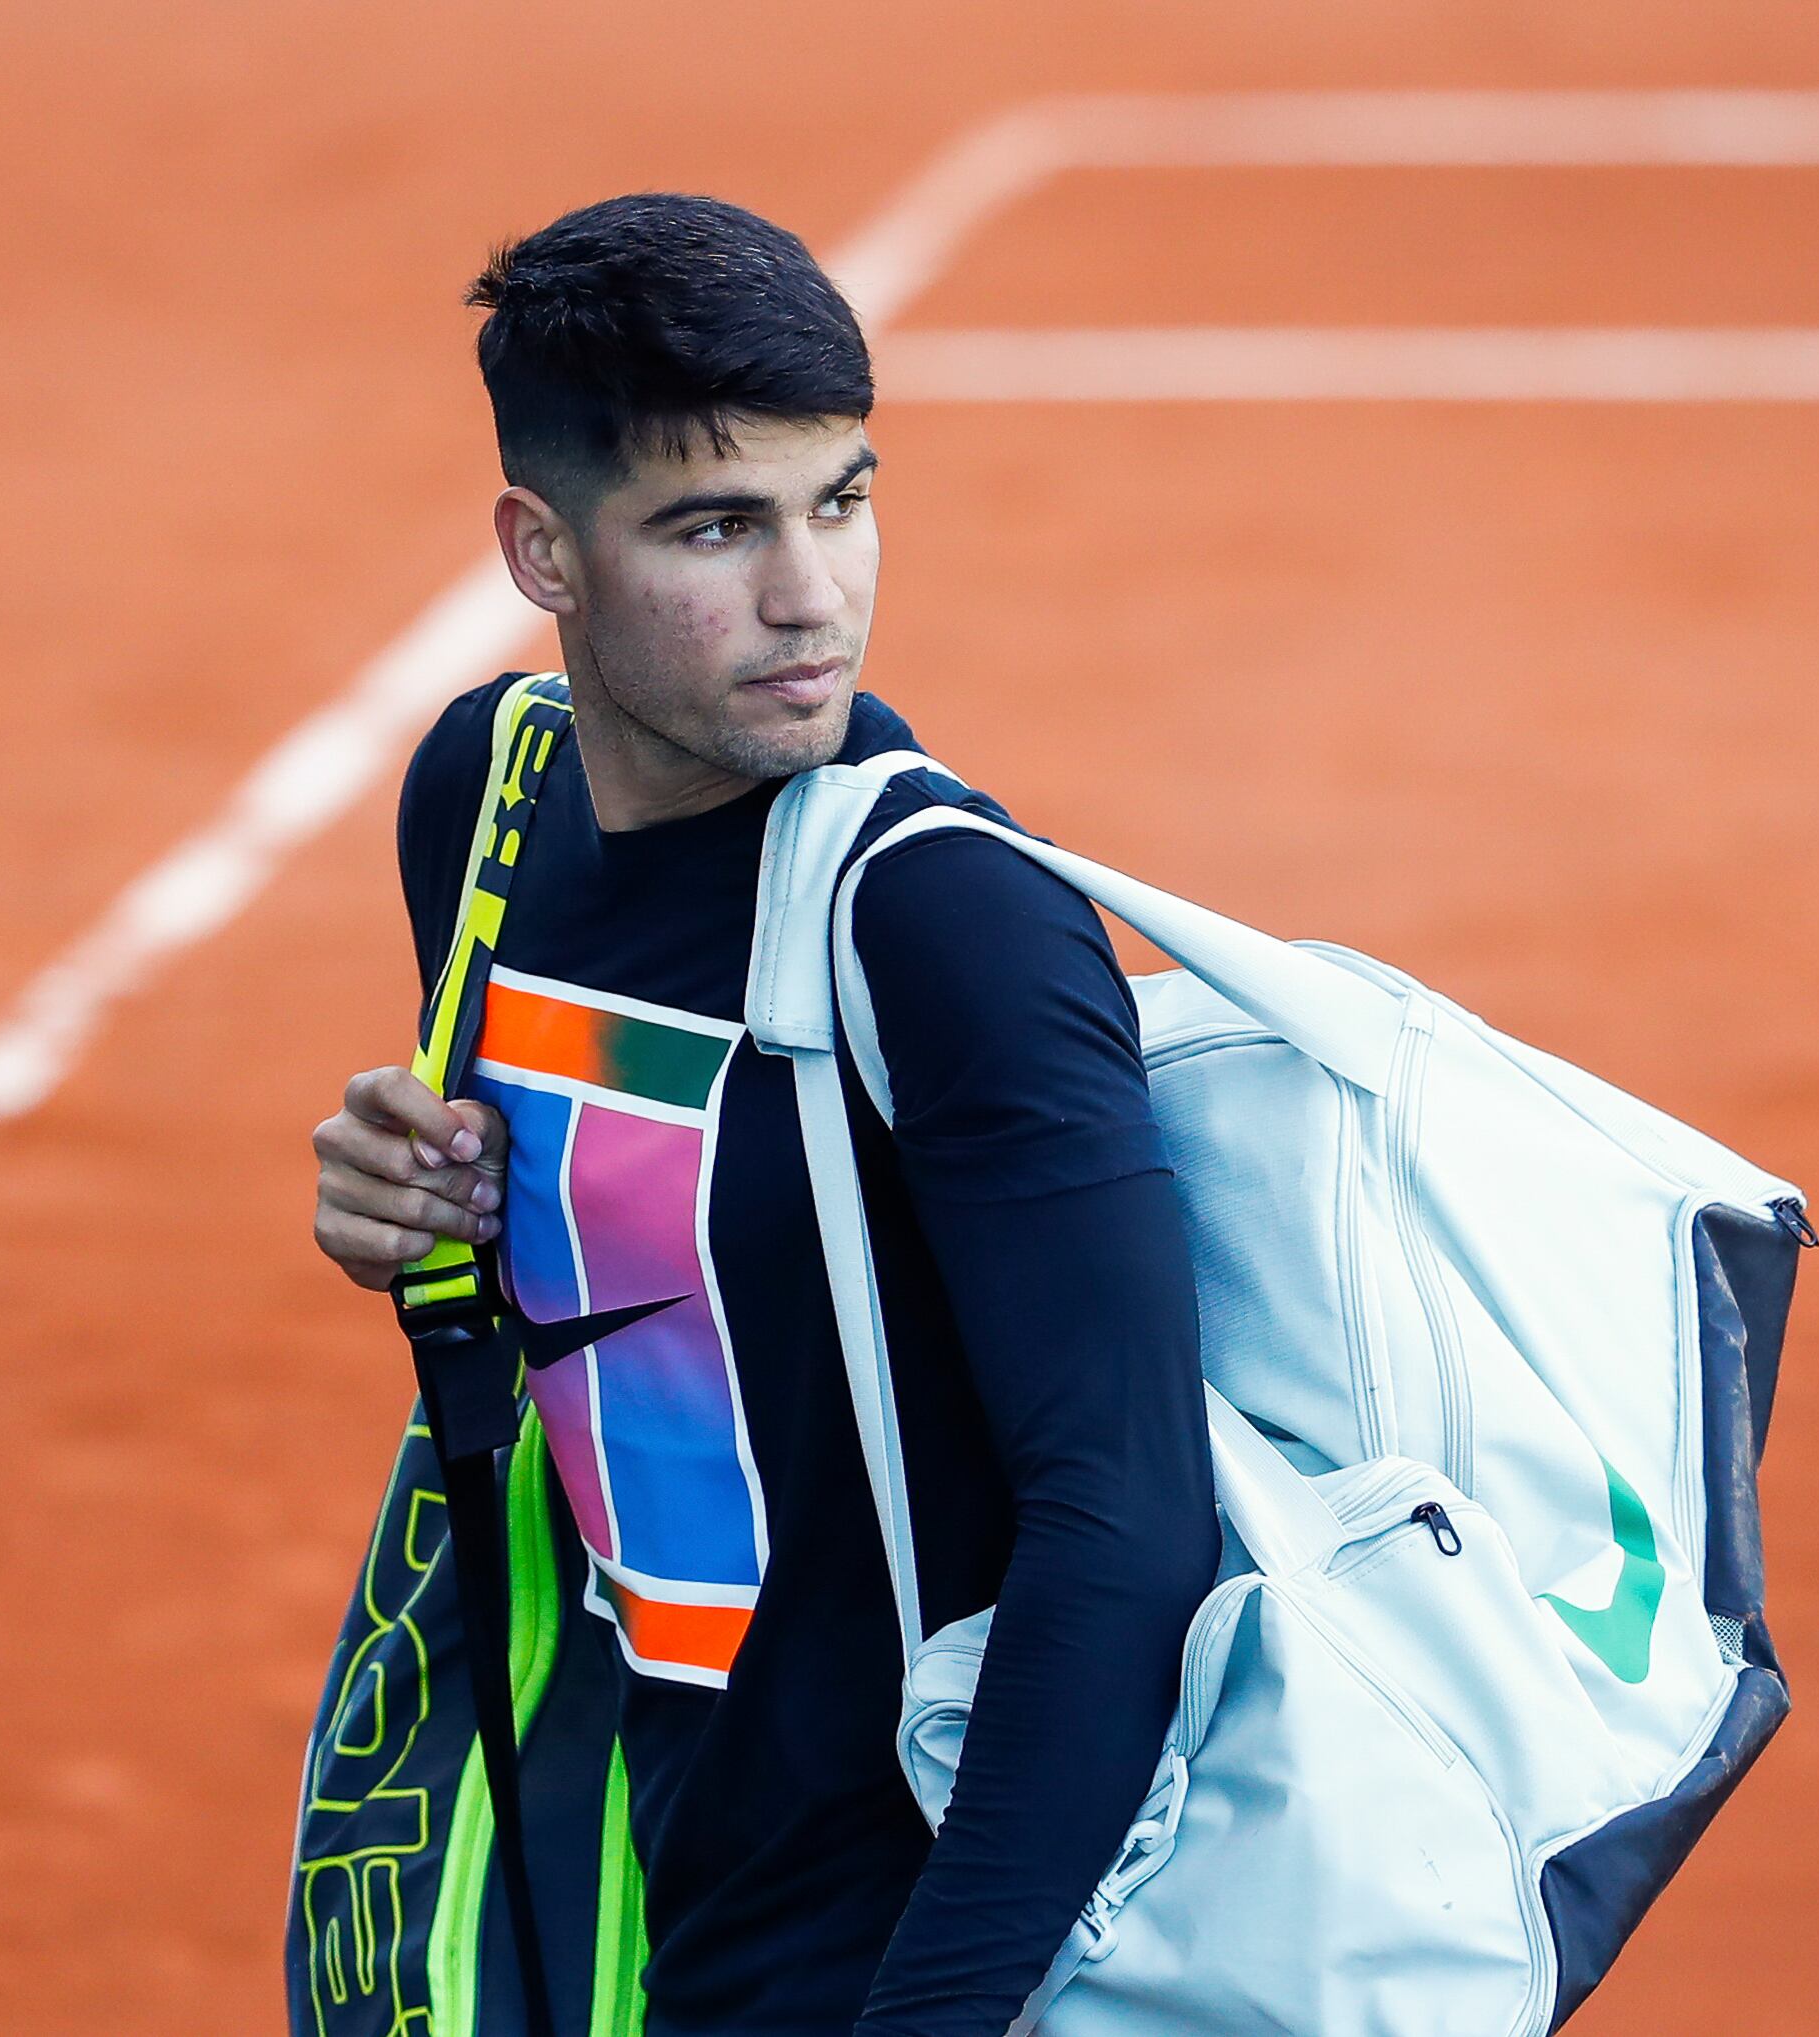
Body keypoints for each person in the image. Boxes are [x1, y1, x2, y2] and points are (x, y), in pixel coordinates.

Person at [307, 192, 1217, 2037]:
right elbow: (669, 1272)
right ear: (541, 552)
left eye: (844, 500)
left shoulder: (942, 918)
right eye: (717, 526)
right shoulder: (488, 800)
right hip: (627, 1855)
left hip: (899, 1919)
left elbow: (1124, 1517)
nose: (812, 594)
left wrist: (938, 2009)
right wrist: (428, 1215)